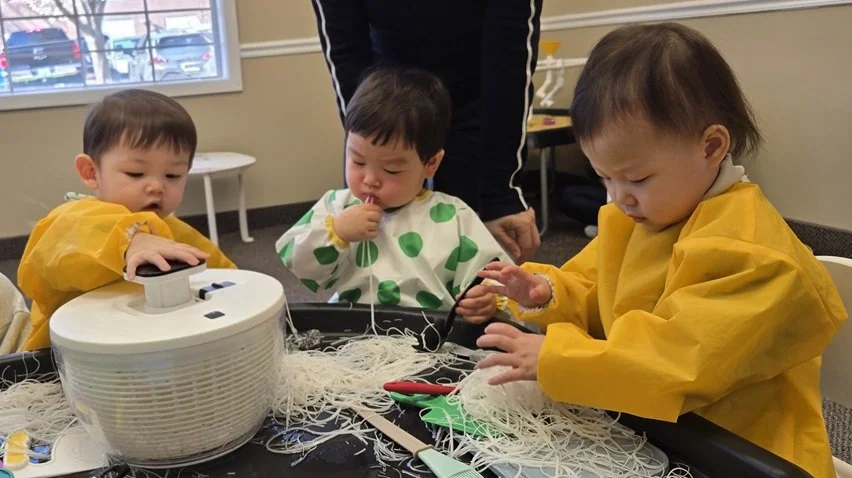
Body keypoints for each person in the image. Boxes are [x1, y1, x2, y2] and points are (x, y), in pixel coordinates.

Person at [461, 23, 847, 477]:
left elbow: (679, 359)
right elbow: (597, 292)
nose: (617, 197)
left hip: (746, 452)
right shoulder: (638, 218)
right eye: (604, 177)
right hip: (660, 431)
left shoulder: (755, 256)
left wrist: (556, 358)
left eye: (637, 179)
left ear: (711, 146)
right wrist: (547, 292)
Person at [309, 0, 542, 263]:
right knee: (373, 246)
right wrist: (372, 150)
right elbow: (346, 50)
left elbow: (508, 58)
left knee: (475, 259)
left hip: (475, 91)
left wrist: (500, 194)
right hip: (386, 92)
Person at [276, 66, 511, 321]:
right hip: (352, 330)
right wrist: (337, 232)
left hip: (428, 338)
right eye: (357, 161)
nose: (369, 180)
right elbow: (299, 265)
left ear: (430, 164)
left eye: (391, 169)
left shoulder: (453, 217)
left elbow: (497, 277)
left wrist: (486, 300)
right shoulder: (337, 207)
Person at [17, 89, 236, 351]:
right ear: (91, 172)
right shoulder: (73, 216)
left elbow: (225, 276)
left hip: (154, 353)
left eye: (173, 175)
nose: (156, 186)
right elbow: (43, 263)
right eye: (136, 173)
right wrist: (133, 240)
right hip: (70, 361)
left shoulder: (174, 231)